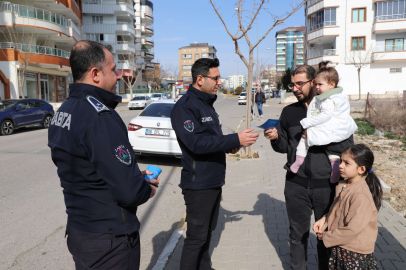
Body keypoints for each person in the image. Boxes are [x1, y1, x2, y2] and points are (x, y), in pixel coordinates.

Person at [48, 40, 159, 270]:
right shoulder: (99, 117)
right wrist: (147, 188)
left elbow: (89, 169)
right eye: (113, 69)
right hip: (109, 241)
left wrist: (132, 174)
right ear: (95, 74)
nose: (119, 76)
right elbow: (129, 193)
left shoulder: (64, 112)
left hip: (81, 232)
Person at [171, 58, 259, 270]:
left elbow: (211, 140)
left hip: (212, 181)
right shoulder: (185, 107)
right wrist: (234, 139)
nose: (220, 82)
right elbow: (196, 143)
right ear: (200, 79)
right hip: (198, 184)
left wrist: (229, 147)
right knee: (195, 239)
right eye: (216, 78)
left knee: (205, 235)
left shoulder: (206, 104)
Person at [264, 65, 353, 270]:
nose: (295, 88)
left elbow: (347, 147)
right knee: (297, 236)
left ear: (314, 83)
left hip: (327, 185)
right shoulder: (289, 112)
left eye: (299, 84)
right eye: (292, 84)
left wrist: (315, 137)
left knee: (326, 236)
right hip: (296, 185)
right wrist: (275, 139)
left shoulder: (334, 108)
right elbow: (285, 147)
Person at [313, 144, 382, 270]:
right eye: (341, 161)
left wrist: (326, 237)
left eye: (347, 163)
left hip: (354, 254)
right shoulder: (345, 185)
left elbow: (352, 229)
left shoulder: (360, 195)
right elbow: (336, 210)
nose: (340, 165)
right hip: (342, 248)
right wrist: (325, 220)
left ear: (361, 169)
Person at [290, 67, 358, 183]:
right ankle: (335, 168)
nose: (317, 87)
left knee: (304, 139)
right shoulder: (340, 96)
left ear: (331, 85)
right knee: (333, 153)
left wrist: (306, 122)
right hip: (340, 129)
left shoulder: (328, 99)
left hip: (323, 184)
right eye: (316, 84)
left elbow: (325, 115)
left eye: (320, 84)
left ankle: (299, 159)